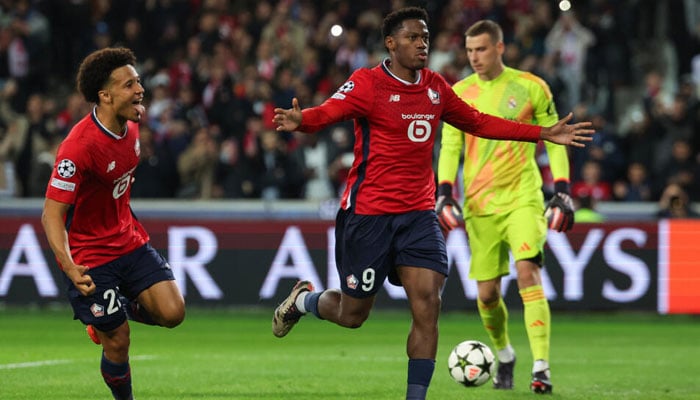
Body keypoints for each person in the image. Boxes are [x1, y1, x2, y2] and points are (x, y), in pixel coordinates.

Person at [271, 8, 592, 400]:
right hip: (369, 216)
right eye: (412, 38)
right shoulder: (368, 83)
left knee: (428, 304)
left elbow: (479, 122)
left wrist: (542, 132)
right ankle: (303, 300)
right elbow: (328, 112)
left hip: (418, 216)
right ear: (391, 43)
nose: (422, 44)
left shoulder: (437, 87)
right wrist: (300, 120)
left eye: (424, 37)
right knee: (352, 315)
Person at [436, 20, 577, 394]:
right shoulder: (458, 93)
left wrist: (561, 189)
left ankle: (542, 367)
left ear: (500, 48)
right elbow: (450, 146)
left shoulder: (532, 87)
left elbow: (556, 139)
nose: (473, 58)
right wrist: (445, 191)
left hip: (523, 197)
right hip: (480, 205)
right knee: (487, 295)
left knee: (528, 270)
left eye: (480, 49)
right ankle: (506, 354)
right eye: (468, 51)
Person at [41, 47, 185, 400]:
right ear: (104, 96)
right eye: (129, 85)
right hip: (91, 255)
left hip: (129, 241)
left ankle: (113, 310)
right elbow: (51, 214)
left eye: (138, 82)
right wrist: (69, 265)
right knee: (118, 341)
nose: (140, 90)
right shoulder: (78, 147)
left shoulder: (132, 129)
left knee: (173, 313)